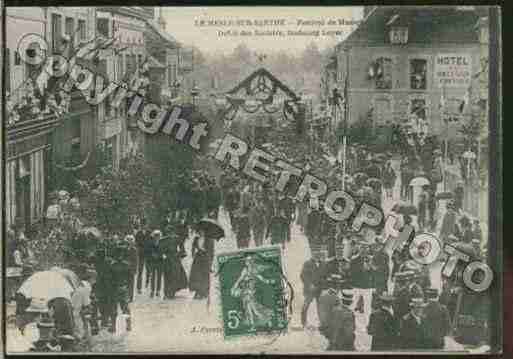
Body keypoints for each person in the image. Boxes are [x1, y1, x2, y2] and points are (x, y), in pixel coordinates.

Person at [230, 256, 275, 329]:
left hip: (250, 292)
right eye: (247, 261)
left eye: (249, 261)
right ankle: (254, 324)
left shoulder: (254, 270)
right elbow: (239, 279)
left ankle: (265, 321)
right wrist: (234, 287)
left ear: (252, 262)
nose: (248, 263)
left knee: (254, 309)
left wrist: (269, 281)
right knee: (250, 309)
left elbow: (261, 278)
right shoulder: (245, 270)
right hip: (244, 292)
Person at [189, 228, 214, 299]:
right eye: (199, 231)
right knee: (196, 275)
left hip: (205, 259)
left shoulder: (209, 239)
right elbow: (193, 247)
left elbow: (211, 252)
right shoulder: (196, 239)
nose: (201, 232)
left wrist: (210, 262)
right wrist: (193, 253)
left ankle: (204, 293)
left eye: (202, 231)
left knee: (205, 276)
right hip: (198, 259)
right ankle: (197, 292)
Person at [161, 233, 188, 299]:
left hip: (174, 260)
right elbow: (161, 250)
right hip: (169, 260)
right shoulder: (164, 240)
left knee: (173, 276)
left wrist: (178, 254)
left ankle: (170, 292)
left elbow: (183, 251)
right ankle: (168, 293)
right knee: (169, 276)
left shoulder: (176, 238)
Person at [300, 252, 323, 328]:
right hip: (309, 289)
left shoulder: (323, 264)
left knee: (321, 306)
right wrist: (309, 284)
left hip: (319, 289)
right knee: (306, 305)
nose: (317, 256)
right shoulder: (307, 263)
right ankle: (303, 322)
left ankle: (321, 322)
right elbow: (302, 275)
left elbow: (324, 276)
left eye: (319, 254)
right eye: (315, 254)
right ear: (312, 255)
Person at [135, 219, 149, 295]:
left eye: (145, 225)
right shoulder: (138, 234)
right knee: (140, 271)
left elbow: (151, 243)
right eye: (142, 225)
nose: (144, 226)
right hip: (141, 255)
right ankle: (139, 288)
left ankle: (147, 285)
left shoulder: (149, 233)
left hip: (148, 254)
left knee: (148, 271)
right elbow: (136, 244)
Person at [148, 230, 164, 298]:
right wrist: (152, 254)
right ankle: (152, 291)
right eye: (155, 236)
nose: (157, 237)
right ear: (153, 236)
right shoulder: (151, 243)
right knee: (153, 277)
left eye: (158, 236)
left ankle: (158, 291)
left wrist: (160, 255)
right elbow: (149, 251)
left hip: (160, 261)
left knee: (159, 277)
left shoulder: (162, 243)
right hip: (153, 261)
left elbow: (163, 251)